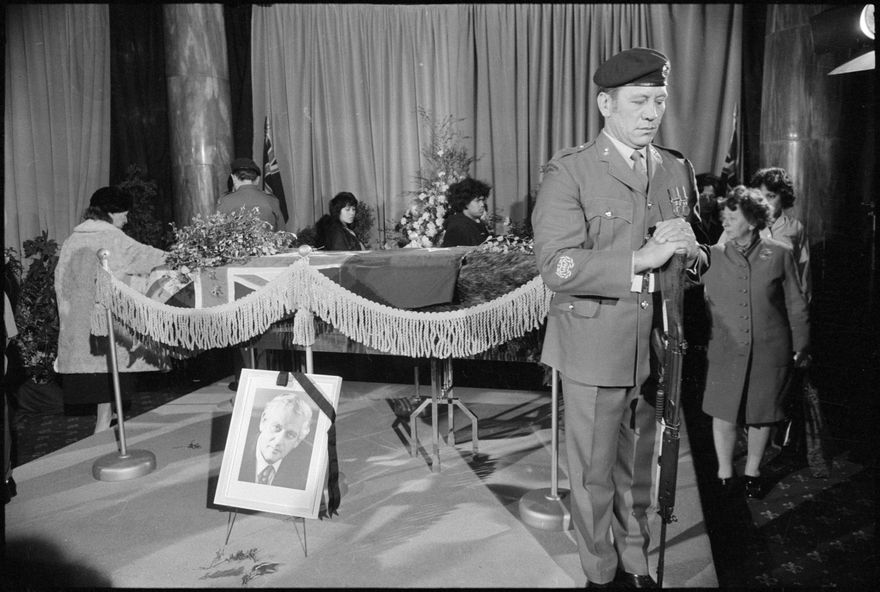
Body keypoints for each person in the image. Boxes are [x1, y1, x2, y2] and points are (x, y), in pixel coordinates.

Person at [531, 47, 706, 588]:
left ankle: (636, 563)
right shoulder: (572, 171)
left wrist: (693, 252)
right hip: (593, 346)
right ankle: (600, 572)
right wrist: (641, 257)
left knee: (640, 472)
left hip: (657, 348)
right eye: (638, 101)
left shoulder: (676, 168)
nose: (651, 113)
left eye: (659, 100)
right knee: (594, 475)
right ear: (606, 104)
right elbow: (557, 266)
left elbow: (695, 258)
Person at [702, 185, 810, 499]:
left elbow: (796, 303)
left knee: (762, 414)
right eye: (723, 216)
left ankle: (752, 471)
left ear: (752, 220)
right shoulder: (714, 255)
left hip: (770, 348)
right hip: (726, 348)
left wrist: (801, 345)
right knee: (724, 412)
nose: (724, 222)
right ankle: (724, 472)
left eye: (732, 217)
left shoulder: (779, 253)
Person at [54, 186, 167, 433]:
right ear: (112, 212)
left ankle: (106, 420)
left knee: (100, 378)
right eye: (124, 213)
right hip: (105, 322)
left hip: (78, 321)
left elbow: (61, 280)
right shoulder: (114, 237)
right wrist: (181, 257)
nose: (126, 219)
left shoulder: (73, 239)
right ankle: (102, 429)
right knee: (110, 375)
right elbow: (149, 257)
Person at [749, 167, 811, 301]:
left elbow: (803, 273)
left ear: (783, 196)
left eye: (770, 196)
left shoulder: (796, 228)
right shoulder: (742, 223)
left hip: (783, 305)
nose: (764, 202)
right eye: (760, 197)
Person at [238, 392, 314, 489]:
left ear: (297, 441)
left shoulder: (310, 464)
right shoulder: (236, 448)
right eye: (276, 427)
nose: (278, 441)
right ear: (263, 421)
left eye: (290, 435)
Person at [217, 157, 285, 231]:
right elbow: (284, 235)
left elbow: (217, 234)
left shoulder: (225, 201)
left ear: (233, 178)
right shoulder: (272, 201)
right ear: (258, 179)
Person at [441, 178, 492, 247]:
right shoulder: (457, 227)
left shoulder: (477, 224)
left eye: (483, 200)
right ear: (465, 203)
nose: (482, 204)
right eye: (478, 201)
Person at [695, 172, 724, 244]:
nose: (708, 201)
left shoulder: (721, 220)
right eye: (703, 196)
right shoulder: (688, 220)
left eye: (712, 197)